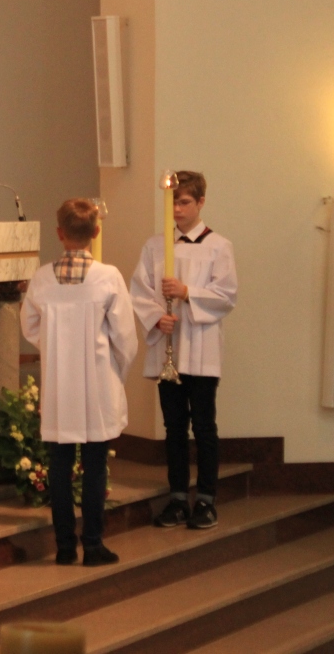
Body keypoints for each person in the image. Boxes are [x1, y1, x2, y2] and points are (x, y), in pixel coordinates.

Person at [21, 199, 137, 566]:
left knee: (59, 467)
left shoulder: (42, 278)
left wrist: (57, 348)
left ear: (59, 233)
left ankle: (65, 547)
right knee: (94, 465)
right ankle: (94, 544)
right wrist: (116, 371)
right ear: (96, 232)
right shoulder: (108, 276)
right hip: (97, 384)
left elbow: (29, 326)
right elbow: (125, 338)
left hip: (59, 386)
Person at [130, 170, 238, 530]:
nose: (177, 209)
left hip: (202, 348)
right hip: (170, 349)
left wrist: (188, 292)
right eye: (173, 202)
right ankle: (177, 497)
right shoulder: (155, 246)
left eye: (185, 202)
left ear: (201, 202)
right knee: (174, 427)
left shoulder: (219, 246)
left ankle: (206, 499)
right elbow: (139, 291)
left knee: (204, 426)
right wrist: (156, 317)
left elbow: (227, 295)